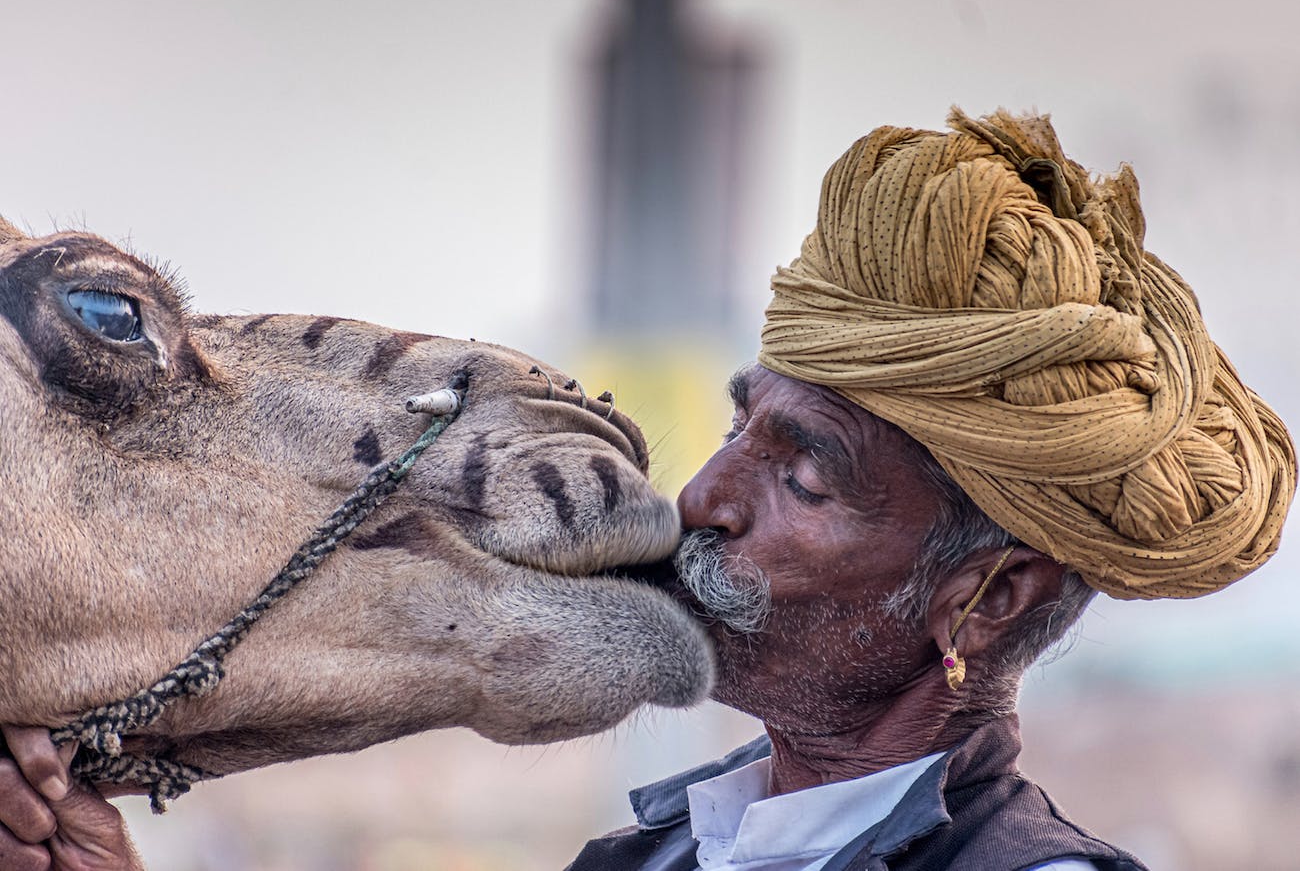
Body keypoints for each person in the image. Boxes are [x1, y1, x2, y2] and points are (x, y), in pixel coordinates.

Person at [1, 109, 1294, 870]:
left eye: (804, 474)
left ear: (986, 596)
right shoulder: (662, 850)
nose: (704, 495)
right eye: (743, 426)